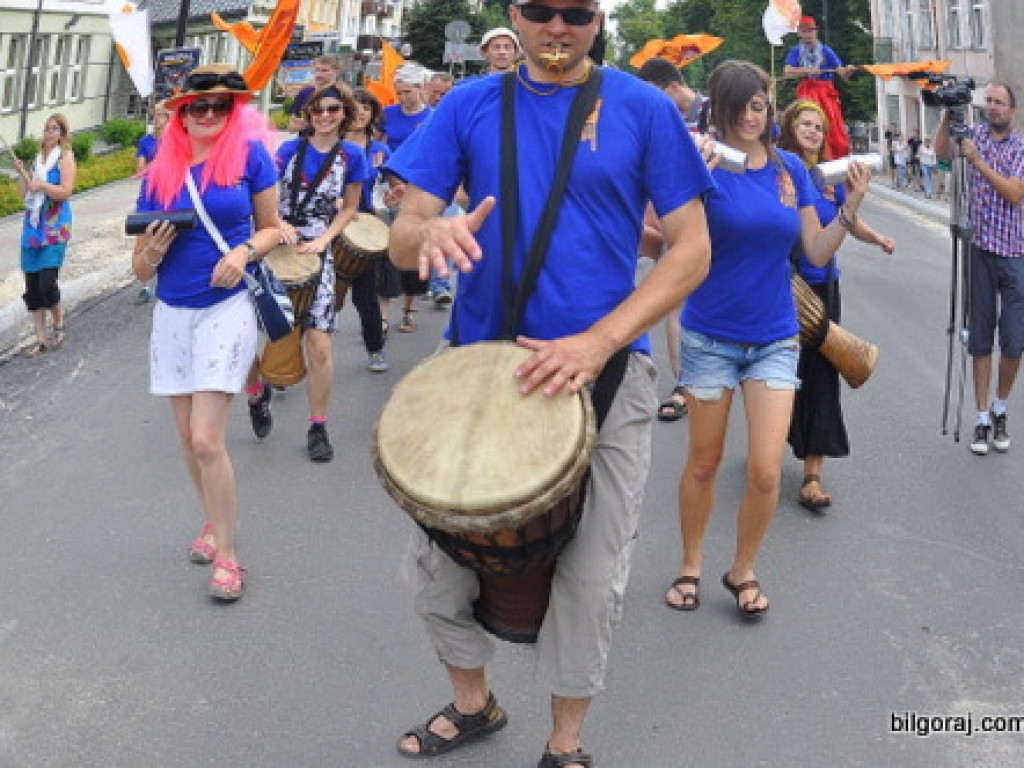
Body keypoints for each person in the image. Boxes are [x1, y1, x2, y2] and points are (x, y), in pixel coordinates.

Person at [385, 0, 714, 763]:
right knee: (435, 572)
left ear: (599, 19)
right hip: (476, 373)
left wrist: (600, 342)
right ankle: (475, 702)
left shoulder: (642, 108)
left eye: (576, 11)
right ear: (514, 15)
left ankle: (565, 742)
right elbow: (401, 238)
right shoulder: (466, 105)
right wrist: (427, 230)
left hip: (607, 374)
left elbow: (691, 248)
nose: (557, 26)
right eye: (540, 10)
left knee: (592, 579)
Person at [663, 60, 869, 617]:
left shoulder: (788, 170)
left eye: (758, 106)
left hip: (776, 336)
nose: (750, 118)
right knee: (703, 464)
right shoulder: (701, 162)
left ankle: (743, 569)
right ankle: (690, 564)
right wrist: (689, 178)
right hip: (710, 336)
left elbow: (815, 251)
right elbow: (667, 237)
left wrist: (850, 207)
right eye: (740, 108)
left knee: (764, 469)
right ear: (720, 109)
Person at [130, 63, 280, 601]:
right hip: (172, 312)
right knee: (185, 439)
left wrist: (243, 253)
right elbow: (139, 271)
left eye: (221, 105)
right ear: (181, 114)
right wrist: (153, 251)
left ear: (233, 111)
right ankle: (213, 522)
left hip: (226, 306)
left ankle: (229, 555)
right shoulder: (158, 174)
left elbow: (273, 228)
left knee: (205, 439)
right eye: (199, 105)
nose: (209, 113)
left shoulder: (250, 157)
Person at [777, 100, 895, 511]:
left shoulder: (830, 177)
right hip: (783, 288)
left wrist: (877, 238)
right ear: (790, 127)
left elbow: (847, 218)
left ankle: (812, 476)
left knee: (823, 378)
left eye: (819, 126)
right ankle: (768, 446)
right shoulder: (780, 172)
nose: (813, 131)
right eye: (805, 124)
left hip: (824, 289)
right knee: (781, 375)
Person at [251, 85, 368, 462]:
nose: (325, 116)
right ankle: (256, 393)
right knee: (253, 334)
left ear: (344, 112)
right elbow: (263, 198)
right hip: (277, 243)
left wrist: (324, 241)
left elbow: (349, 208)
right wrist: (278, 224)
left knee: (320, 343)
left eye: (333, 109)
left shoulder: (352, 155)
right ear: (308, 114)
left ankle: (318, 426)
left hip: (319, 249)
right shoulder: (287, 151)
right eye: (317, 109)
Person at [935, 82, 1024, 456]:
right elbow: (942, 154)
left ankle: (1001, 408)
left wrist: (978, 162)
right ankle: (983, 416)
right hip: (980, 251)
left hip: (1016, 253)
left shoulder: (1019, 148)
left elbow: (1014, 193)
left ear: (1012, 109)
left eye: (999, 102)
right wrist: (947, 117)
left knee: (1014, 342)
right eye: (988, 101)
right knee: (980, 339)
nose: (992, 107)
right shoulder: (974, 135)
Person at [636, 56, 710, 422]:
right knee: (677, 301)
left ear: (675, 87)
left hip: (718, 217)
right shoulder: (658, 119)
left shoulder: (715, 112)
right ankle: (684, 383)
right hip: (675, 215)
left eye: (657, 94)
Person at [13, 113, 76, 357]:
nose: (50, 133)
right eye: (47, 129)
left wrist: (44, 186)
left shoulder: (65, 157)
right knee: (32, 287)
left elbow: (65, 191)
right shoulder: (37, 160)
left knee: (47, 283)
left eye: (55, 129)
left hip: (54, 227)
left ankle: (58, 323)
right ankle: (40, 339)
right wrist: (22, 174)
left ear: (62, 134)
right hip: (33, 227)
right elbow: (25, 195)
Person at [344, 88, 391, 373]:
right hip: (326, 227)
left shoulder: (380, 151)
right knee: (310, 299)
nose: (360, 112)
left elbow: (392, 190)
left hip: (363, 232)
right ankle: (286, 363)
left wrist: (393, 195)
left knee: (365, 297)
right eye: (355, 106)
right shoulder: (326, 145)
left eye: (366, 107)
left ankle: (376, 348)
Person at [783, 16, 855, 159]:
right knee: (805, 118)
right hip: (807, 91)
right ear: (799, 33)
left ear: (815, 32)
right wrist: (807, 70)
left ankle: (833, 154)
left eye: (810, 31)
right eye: (804, 31)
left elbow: (841, 73)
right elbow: (788, 71)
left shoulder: (826, 51)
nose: (808, 34)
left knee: (832, 124)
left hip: (826, 92)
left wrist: (848, 70)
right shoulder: (796, 51)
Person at [134, 101, 172, 304]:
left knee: (166, 234)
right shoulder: (145, 141)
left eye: (162, 115)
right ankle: (145, 285)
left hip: (168, 193)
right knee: (144, 234)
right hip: (149, 193)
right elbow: (141, 170)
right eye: (155, 115)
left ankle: (167, 277)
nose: (158, 119)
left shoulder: (173, 141)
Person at [288, 55, 344, 134]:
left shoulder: (342, 94)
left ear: (336, 72)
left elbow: (351, 126)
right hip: (307, 140)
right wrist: (304, 125)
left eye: (324, 71)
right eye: (317, 70)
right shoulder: (305, 93)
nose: (319, 74)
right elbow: (291, 127)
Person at [380, 67, 432, 153]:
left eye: (407, 92)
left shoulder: (431, 116)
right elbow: (376, 142)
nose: (403, 97)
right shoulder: (387, 113)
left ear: (420, 88)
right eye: (399, 93)